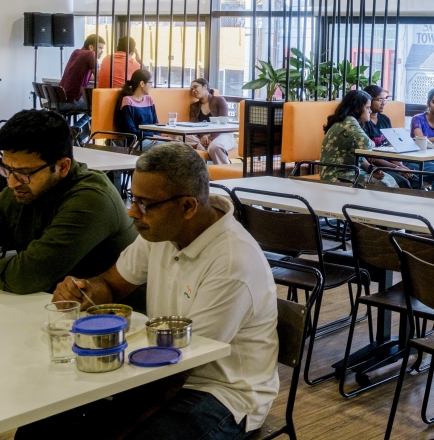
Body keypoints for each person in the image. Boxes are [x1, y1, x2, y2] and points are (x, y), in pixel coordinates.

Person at [19, 143, 279, 440]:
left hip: (220, 391)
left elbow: (182, 367)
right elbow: (113, 285)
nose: (132, 212)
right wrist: (85, 291)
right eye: (132, 198)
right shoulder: (160, 233)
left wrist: (109, 430)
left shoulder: (232, 263)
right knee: (38, 427)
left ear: (187, 207)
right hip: (156, 368)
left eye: (144, 204)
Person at [0, 110, 135, 293]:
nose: (12, 183)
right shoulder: (22, 189)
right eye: (6, 169)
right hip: (43, 309)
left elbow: (26, 276)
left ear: (63, 167)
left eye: (24, 173)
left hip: (115, 321)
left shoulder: (91, 199)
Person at [319, 89, 398, 188]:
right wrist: (372, 143)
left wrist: (372, 169)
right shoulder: (349, 121)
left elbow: (359, 156)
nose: (370, 111)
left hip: (350, 170)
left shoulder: (352, 121)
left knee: (388, 179)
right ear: (357, 109)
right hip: (335, 174)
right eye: (367, 107)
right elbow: (366, 145)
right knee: (384, 185)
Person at [359, 84, 414, 189]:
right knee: (404, 182)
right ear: (369, 100)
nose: (383, 103)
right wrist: (396, 168)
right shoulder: (363, 123)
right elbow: (370, 157)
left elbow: (391, 147)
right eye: (380, 100)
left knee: (414, 177)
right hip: (377, 165)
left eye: (385, 100)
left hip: (390, 162)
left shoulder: (385, 119)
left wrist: (400, 166)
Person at [188, 78, 236, 164]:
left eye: (195, 87)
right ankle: (201, 145)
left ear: (205, 86)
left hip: (222, 133)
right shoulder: (194, 106)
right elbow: (193, 126)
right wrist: (203, 136)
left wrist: (210, 138)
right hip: (202, 136)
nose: (193, 91)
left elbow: (223, 123)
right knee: (178, 137)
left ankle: (224, 171)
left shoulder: (219, 100)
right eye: (192, 89)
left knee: (215, 147)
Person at [57, 33, 104, 110]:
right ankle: (78, 123)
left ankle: (76, 123)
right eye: (100, 48)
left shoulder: (76, 52)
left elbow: (80, 74)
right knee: (101, 106)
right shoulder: (90, 54)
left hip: (59, 101)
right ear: (91, 47)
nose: (102, 51)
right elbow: (99, 76)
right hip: (72, 101)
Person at [116, 68, 157, 140]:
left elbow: (156, 123)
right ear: (142, 84)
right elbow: (130, 130)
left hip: (152, 140)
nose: (152, 86)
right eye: (150, 83)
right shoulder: (127, 101)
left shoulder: (149, 100)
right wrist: (151, 136)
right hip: (137, 142)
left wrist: (157, 137)